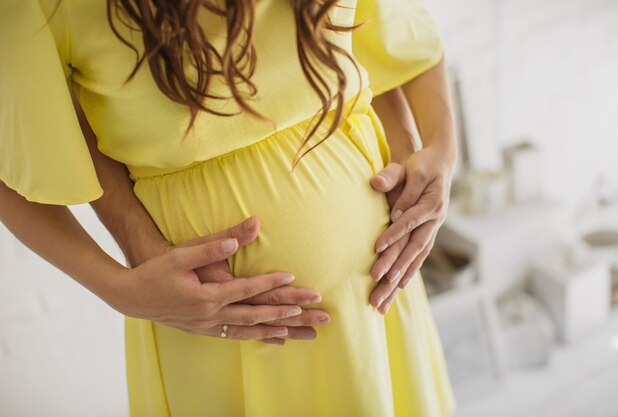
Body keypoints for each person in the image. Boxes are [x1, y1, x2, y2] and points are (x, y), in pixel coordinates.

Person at [0, 0, 458, 416]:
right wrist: (120, 289)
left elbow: (400, 38)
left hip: (376, 306)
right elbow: (10, 172)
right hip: (213, 334)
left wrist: (439, 149)